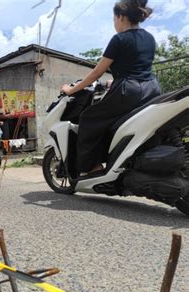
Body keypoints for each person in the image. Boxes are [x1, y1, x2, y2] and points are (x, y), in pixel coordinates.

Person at [61, 0, 161, 176]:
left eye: (114, 18)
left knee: (89, 118)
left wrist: (71, 90)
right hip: (152, 88)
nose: (114, 23)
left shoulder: (119, 39)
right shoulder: (149, 38)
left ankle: (91, 167)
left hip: (128, 91)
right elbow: (136, 65)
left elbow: (96, 73)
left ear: (121, 17)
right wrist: (114, 81)